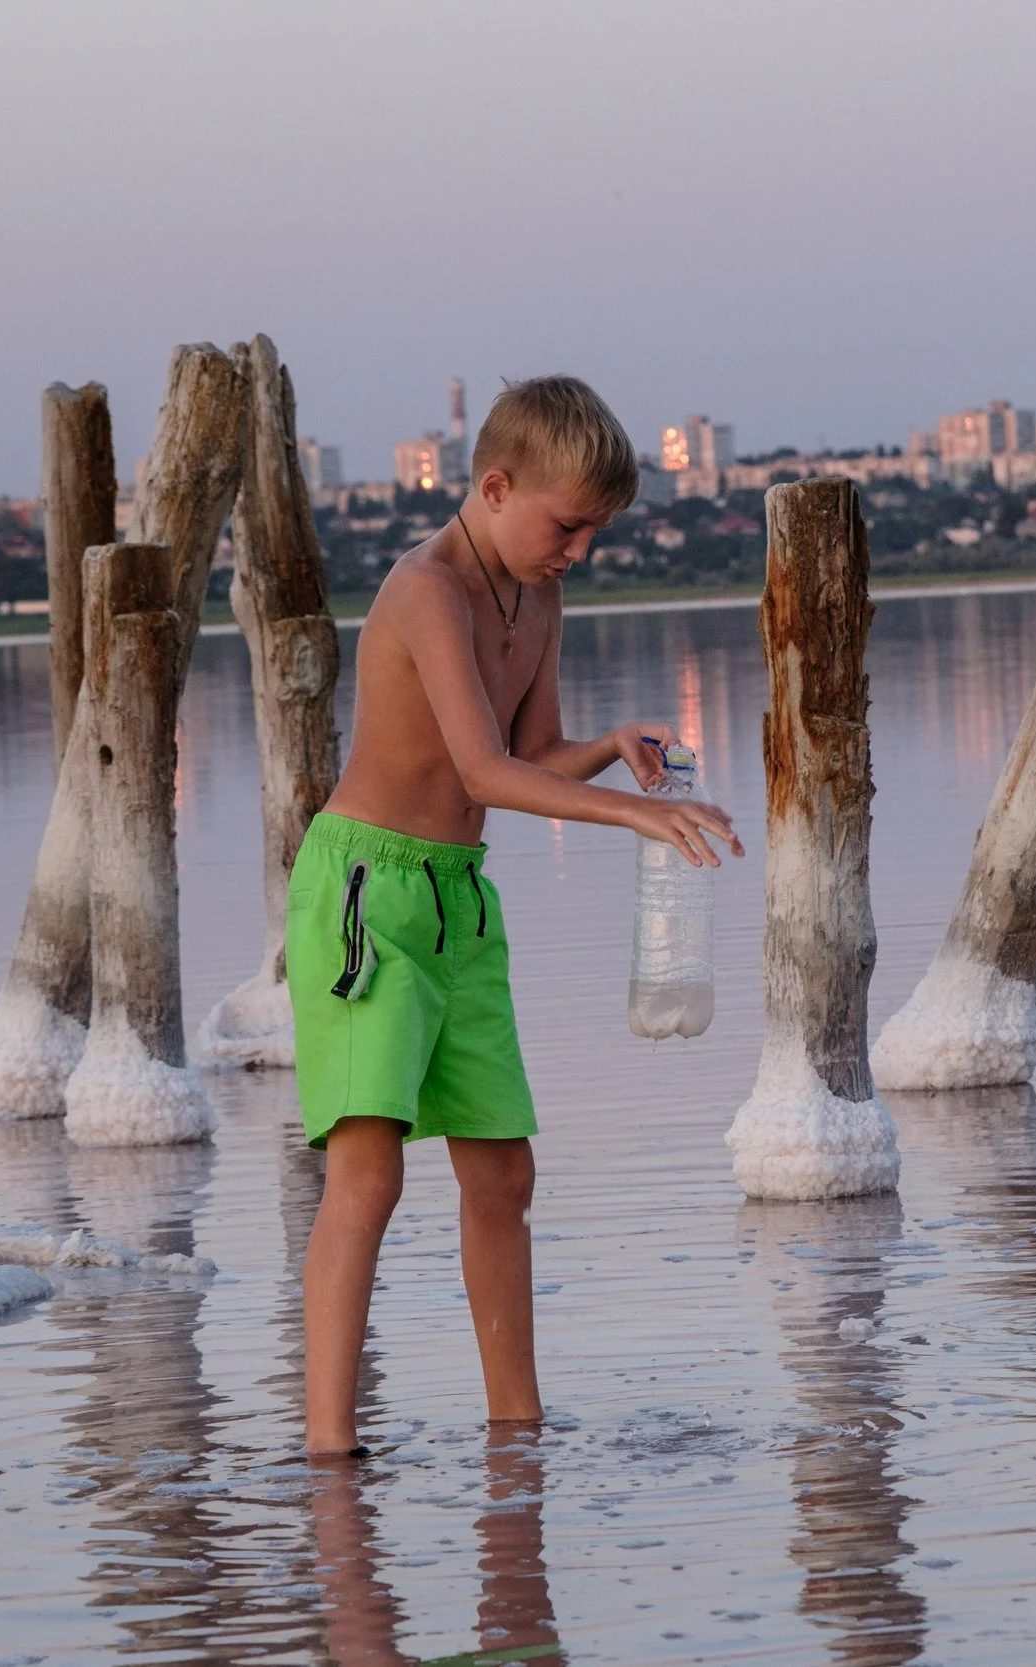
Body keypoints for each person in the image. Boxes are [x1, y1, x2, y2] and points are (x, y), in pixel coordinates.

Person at [290, 375, 742, 1455]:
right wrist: (629, 819)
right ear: (494, 487)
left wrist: (607, 749)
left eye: (594, 530)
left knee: (504, 1171)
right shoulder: (424, 590)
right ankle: (326, 1452)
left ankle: (517, 1430)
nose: (578, 550)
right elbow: (484, 770)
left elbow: (532, 753)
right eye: (568, 524)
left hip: (459, 902)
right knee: (370, 1166)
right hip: (367, 895)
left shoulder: (536, 594)